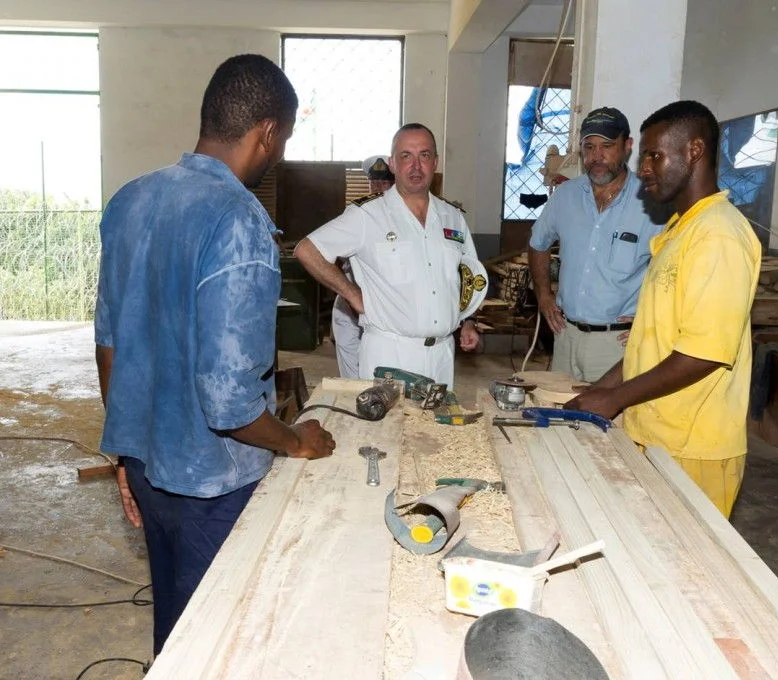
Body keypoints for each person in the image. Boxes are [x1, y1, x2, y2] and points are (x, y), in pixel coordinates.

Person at [93, 54, 335, 656]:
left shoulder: (131, 200)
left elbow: (109, 341)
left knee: (177, 631)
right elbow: (228, 401)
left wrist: (126, 453)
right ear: (268, 132)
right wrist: (293, 440)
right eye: (283, 141)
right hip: (213, 486)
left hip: (149, 467)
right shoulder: (240, 220)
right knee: (226, 640)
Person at [566, 100, 762, 518]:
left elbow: (703, 353)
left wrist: (615, 398)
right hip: (657, 432)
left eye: (655, 155)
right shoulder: (681, 231)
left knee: (685, 572)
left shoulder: (719, 236)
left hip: (693, 445)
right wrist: (602, 389)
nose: (645, 169)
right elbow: (651, 340)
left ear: (693, 151)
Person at [294, 123, 487, 387]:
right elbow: (308, 250)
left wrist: (468, 321)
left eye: (425, 155)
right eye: (406, 156)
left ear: (436, 163)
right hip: (391, 355)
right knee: (387, 428)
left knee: (436, 429)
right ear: (392, 164)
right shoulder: (367, 216)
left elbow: (467, 274)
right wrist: (352, 295)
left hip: (442, 354)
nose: (416, 166)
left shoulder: (452, 217)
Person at [528, 107, 663, 383]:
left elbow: (676, 269)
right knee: (559, 416)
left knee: (610, 422)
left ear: (627, 147)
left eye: (607, 146)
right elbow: (537, 243)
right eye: (589, 147)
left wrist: (656, 320)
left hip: (617, 345)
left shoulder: (653, 203)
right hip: (566, 336)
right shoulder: (565, 196)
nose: (596, 157)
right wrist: (543, 295)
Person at [331, 155, 396, 378]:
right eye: (374, 183)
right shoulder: (357, 214)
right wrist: (346, 290)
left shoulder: (400, 218)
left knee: (382, 360)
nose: (378, 188)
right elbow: (330, 254)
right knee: (349, 357)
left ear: (394, 185)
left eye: (384, 183)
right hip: (351, 296)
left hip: (384, 298)